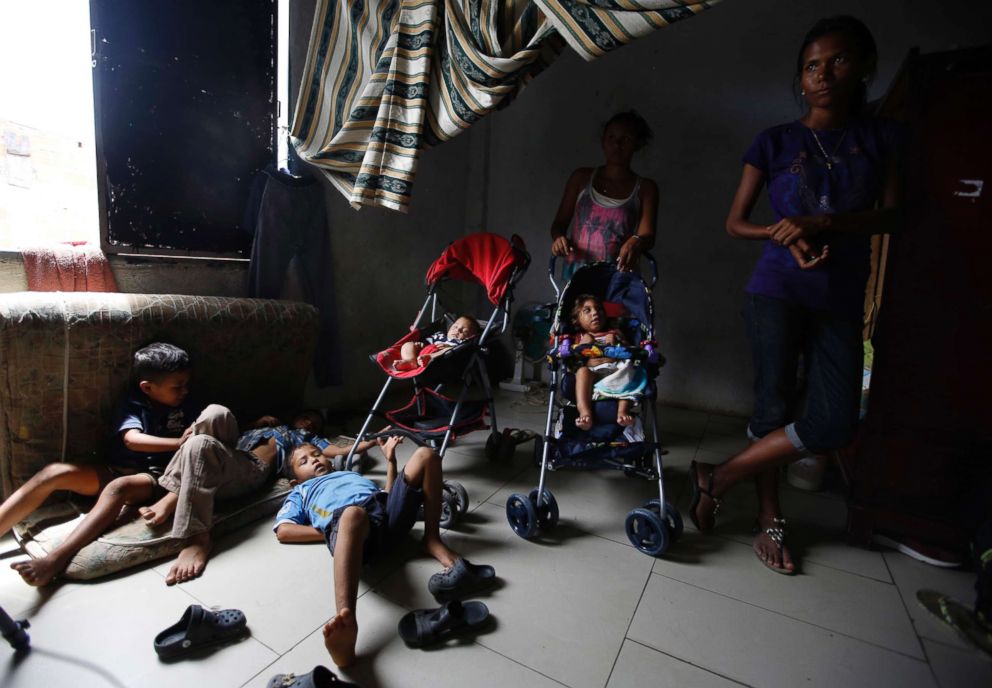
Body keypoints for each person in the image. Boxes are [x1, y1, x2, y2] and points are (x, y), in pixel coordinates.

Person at [690, 15, 902, 575]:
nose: (823, 75)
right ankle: (769, 519)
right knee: (772, 406)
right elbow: (736, 222)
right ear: (800, 77)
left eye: (838, 61)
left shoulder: (881, 137)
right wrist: (779, 231)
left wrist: (823, 221)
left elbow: (895, 214)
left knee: (835, 421)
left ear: (862, 69)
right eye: (812, 66)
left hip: (839, 295)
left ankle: (719, 476)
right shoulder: (775, 140)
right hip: (775, 289)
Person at [275, 439, 496, 667]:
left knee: (426, 454)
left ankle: (431, 539)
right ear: (294, 481)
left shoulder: (348, 475)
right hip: (354, 529)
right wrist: (338, 533)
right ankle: (346, 620)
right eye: (305, 461)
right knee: (353, 515)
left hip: (385, 516)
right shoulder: (301, 491)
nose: (314, 459)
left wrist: (391, 462)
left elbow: (387, 496)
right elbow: (284, 530)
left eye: (317, 454)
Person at [0, 342, 200, 543]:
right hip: (116, 469)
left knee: (119, 487)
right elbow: (132, 440)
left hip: (155, 476)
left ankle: (64, 552)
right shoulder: (133, 402)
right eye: (177, 386)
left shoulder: (188, 404)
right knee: (53, 473)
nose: (185, 390)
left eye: (187, 384)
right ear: (147, 387)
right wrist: (179, 442)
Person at [549, 110, 659, 276]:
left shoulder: (645, 188)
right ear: (603, 141)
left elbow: (647, 236)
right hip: (578, 277)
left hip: (618, 280)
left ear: (637, 144)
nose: (617, 144)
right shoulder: (581, 178)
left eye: (626, 139)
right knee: (578, 303)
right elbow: (559, 224)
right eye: (611, 137)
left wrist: (636, 241)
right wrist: (559, 238)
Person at [570, 295, 646, 430]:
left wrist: (618, 340)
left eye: (598, 309)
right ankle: (585, 413)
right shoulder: (580, 337)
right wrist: (583, 344)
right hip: (594, 374)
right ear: (577, 320)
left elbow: (630, 351)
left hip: (617, 370)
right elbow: (573, 359)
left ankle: (622, 412)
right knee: (582, 372)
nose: (595, 312)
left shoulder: (614, 332)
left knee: (631, 370)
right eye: (587, 310)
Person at [394, 315, 480, 371]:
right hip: (423, 351)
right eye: (455, 326)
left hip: (438, 360)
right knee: (407, 344)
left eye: (464, 331)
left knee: (448, 349)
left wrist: (448, 346)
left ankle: (429, 358)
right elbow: (427, 341)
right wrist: (420, 345)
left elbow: (457, 352)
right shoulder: (439, 335)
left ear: (469, 337)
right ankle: (410, 361)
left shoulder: (461, 343)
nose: (457, 330)